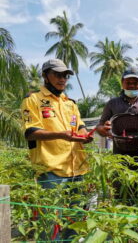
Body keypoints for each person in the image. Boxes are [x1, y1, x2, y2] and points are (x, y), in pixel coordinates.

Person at [21, 58, 93, 240]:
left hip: (78, 169)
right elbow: (31, 132)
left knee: (75, 220)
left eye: (65, 76)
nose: (62, 79)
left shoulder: (71, 103)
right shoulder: (33, 100)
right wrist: (61, 135)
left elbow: (80, 127)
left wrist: (88, 135)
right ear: (45, 75)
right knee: (49, 222)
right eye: (57, 74)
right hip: (51, 170)